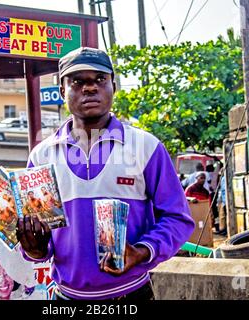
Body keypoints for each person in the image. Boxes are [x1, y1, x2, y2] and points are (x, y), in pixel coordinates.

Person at [16, 47, 195, 300]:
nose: (89, 88)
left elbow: (178, 218)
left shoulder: (145, 147)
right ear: (61, 92)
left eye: (100, 79)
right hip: (65, 297)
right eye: (77, 82)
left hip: (131, 294)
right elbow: (40, 244)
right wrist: (35, 249)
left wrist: (143, 251)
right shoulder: (42, 156)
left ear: (114, 86)